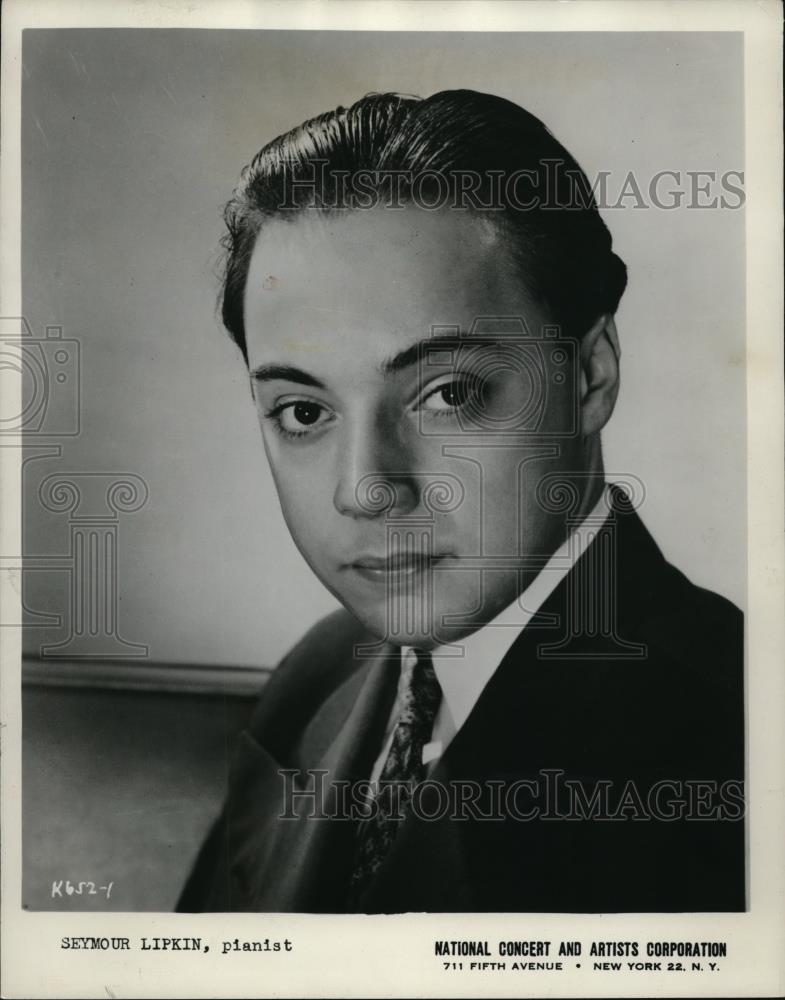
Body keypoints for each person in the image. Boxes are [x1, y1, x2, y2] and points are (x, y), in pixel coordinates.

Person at [177, 90, 744, 913]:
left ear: (589, 376)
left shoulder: (740, 738)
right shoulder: (318, 672)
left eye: (447, 393)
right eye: (303, 412)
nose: (364, 489)